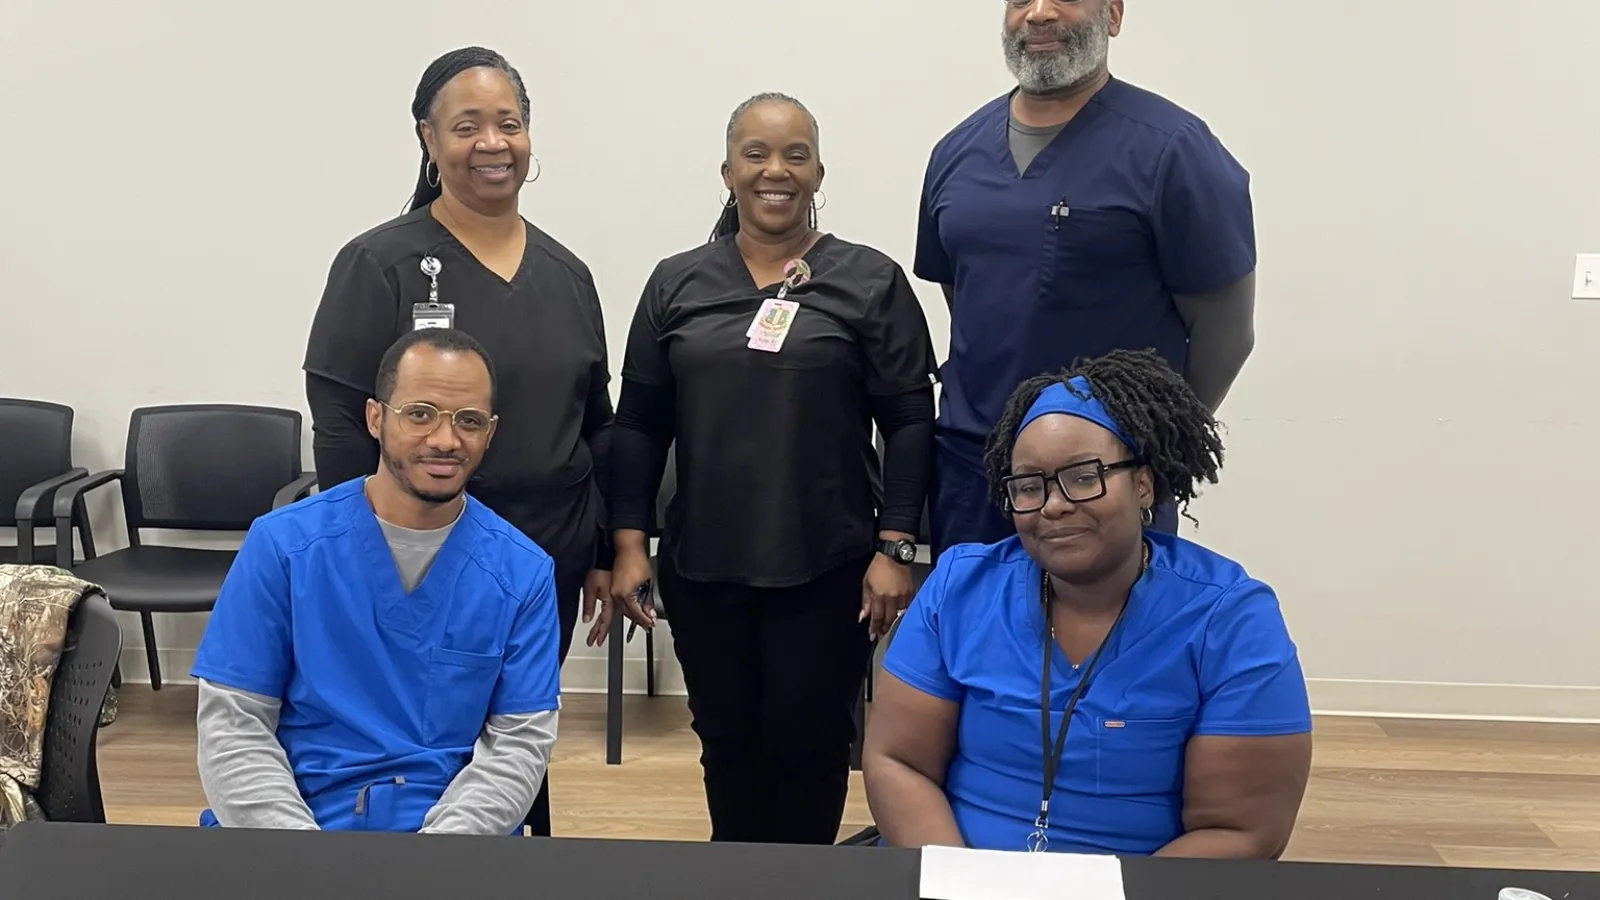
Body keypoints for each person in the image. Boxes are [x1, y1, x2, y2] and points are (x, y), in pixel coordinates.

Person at [301, 47, 637, 834]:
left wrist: (599, 549)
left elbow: (598, 421)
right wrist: (364, 551)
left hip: (544, 556)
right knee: (419, 734)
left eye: (509, 123)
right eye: (467, 126)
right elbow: (341, 416)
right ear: (428, 139)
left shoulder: (568, 273)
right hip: (415, 552)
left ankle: (514, 854)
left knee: (518, 729)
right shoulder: (378, 263)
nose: (493, 142)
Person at [607, 92, 939, 845]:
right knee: (728, 745)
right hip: (706, 568)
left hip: (829, 568)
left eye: (795, 154)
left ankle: (802, 883)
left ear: (819, 170)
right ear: (727, 170)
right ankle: (739, 877)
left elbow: (912, 422)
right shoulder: (676, 283)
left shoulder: (870, 281)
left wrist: (897, 548)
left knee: (810, 744)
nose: (775, 171)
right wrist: (629, 542)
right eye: (756, 154)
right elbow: (639, 425)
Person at [863, 349, 1311, 857]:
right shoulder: (960, 588)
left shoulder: (1228, 620)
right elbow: (899, 762)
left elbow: (1241, 832)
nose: (1053, 505)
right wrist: (964, 886)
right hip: (955, 875)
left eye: (1083, 476)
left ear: (1143, 484)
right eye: (1028, 486)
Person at [917, 0, 1257, 554]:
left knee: (1109, 639)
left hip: (1103, 481)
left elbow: (1227, 335)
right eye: (1020, 0)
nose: (1039, 14)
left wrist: (1147, 443)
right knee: (979, 637)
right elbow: (969, 301)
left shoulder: (1173, 149)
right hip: (973, 475)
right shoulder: (956, 154)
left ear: (1114, 15)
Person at [192, 329, 562, 834]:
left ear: (490, 433)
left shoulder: (522, 573)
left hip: (450, 843)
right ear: (375, 417)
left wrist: (433, 868)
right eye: (420, 413)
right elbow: (235, 727)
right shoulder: (284, 547)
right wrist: (303, 864)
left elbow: (518, 743)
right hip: (295, 830)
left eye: (468, 422)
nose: (445, 440)